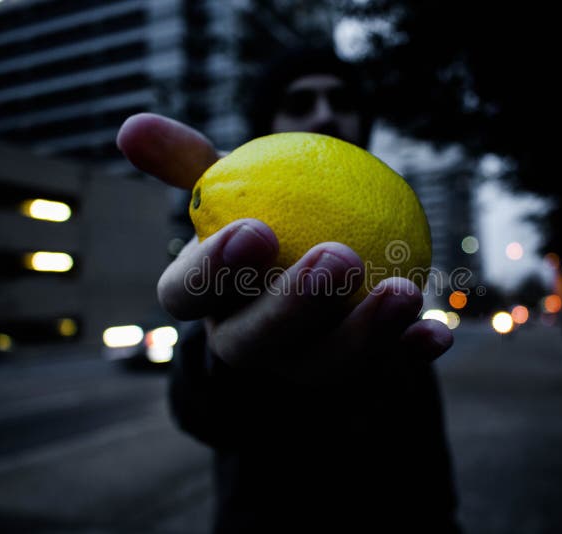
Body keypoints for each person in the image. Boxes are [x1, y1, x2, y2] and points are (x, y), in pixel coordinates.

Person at [117, 46, 462, 533]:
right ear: (269, 130)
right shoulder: (230, 233)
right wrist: (225, 357)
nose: (324, 114)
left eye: (341, 100)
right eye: (300, 104)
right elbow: (199, 413)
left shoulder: (390, 212)